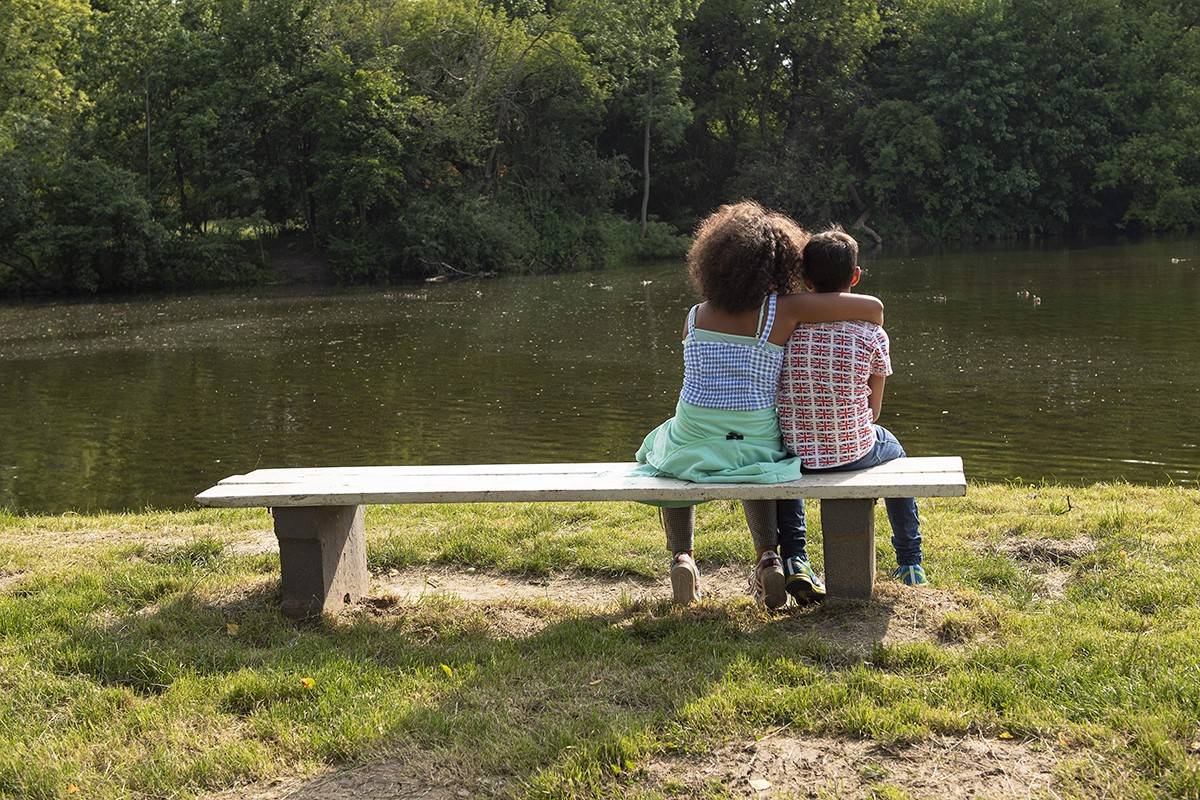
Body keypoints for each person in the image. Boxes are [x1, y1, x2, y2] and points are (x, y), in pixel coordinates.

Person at [634, 202, 884, 608]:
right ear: (779, 264)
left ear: (712, 265)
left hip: (694, 432)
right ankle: (769, 559)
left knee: (669, 451)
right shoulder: (782, 310)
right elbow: (872, 309)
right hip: (753, 438)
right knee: (756, 454)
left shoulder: (694, 317)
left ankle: (683, 557)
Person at [775, 226, 926, 605]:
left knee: (785, 459)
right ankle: (910, 561)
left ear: (805, 279)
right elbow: (874, 410)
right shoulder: (871, 332)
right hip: (854, 450)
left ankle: (795, 556)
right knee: (895, 453)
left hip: (797, 455)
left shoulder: (785, 329)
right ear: (855, 277)